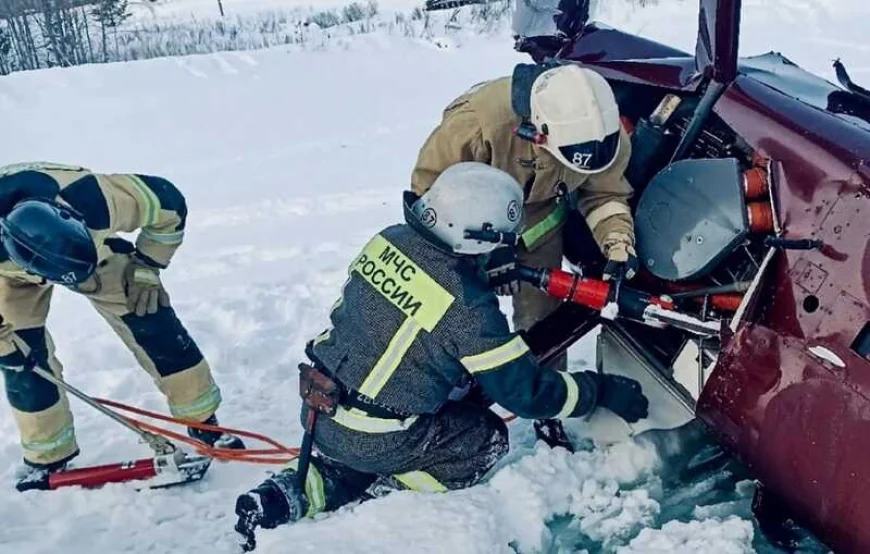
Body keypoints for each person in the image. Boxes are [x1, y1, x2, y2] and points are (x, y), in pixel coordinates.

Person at [233, 162, 648, 546]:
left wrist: (476, 270)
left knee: (424, 398)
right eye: (500, 243)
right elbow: (527, 394)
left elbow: (416, 302)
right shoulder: (467, 309)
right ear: (477, 238)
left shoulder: (389, 240)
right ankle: (384, 488)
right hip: (376, 435)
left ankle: (285, 494)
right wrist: (599, 390)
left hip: (320, 408)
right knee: (483, 439)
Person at [409, 63, 640, 448]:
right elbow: (429, 193)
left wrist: (618, 245)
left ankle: (547, 411)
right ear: (538, 132)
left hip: (538, 220)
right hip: (463, 222)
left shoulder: (603, 134)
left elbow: (605, 194)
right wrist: (488, 250)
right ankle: (440, 396)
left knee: (543, 320)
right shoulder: (478, 123)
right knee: (456, 317)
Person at [0, 161, 245, 492]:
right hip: (8, 275)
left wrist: (147, 266)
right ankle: (48, 455)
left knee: (150, 318)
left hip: (93, 255)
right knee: (21, 361)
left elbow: (169, 204)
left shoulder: (97, 199)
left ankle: (203, 421)